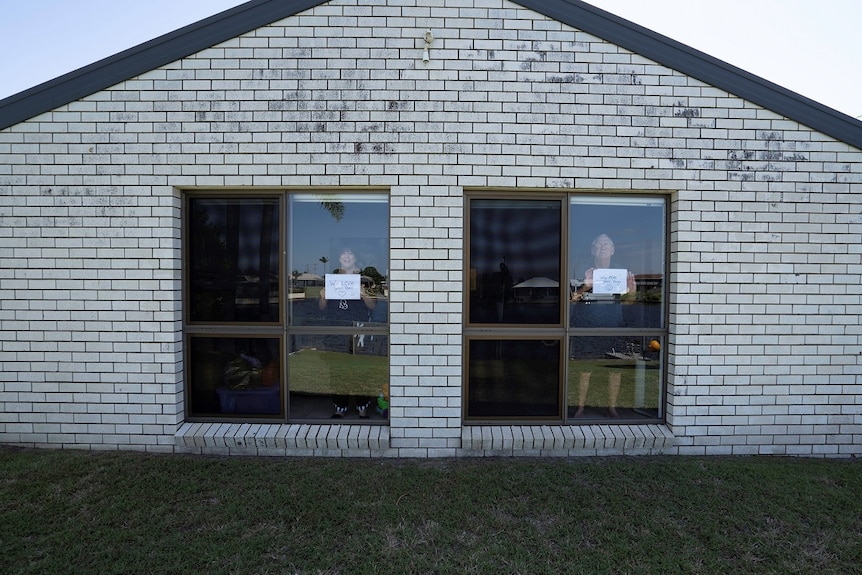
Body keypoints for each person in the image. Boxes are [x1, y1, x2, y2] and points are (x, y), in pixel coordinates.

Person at [571, 234, 636, 418]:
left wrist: (632, 292)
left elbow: (629, 304)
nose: (603, 247)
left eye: (607, 244)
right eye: (599, 244)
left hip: (614, 327)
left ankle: (612, 407)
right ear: (593, 249)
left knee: (614, 369)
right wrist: (585, 287)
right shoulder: (580, 270)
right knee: (585, 369)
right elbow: (571, 301)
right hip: (588, 328)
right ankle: (580, 407)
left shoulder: (622, 273)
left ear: (613, 250)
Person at [318, 247, 377, 418]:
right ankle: (340, 407)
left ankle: (362, 406)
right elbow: (322, 308)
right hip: (336, 331)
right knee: (337, 370)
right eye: (344, 253)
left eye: (350, 253)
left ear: (355, 258)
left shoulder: (365, 279)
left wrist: (364, 295)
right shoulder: (331, 279)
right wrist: (323, 297)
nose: (347, 256)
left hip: (358, 332)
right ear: (339, 258)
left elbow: (373, 306)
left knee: (360, 370)